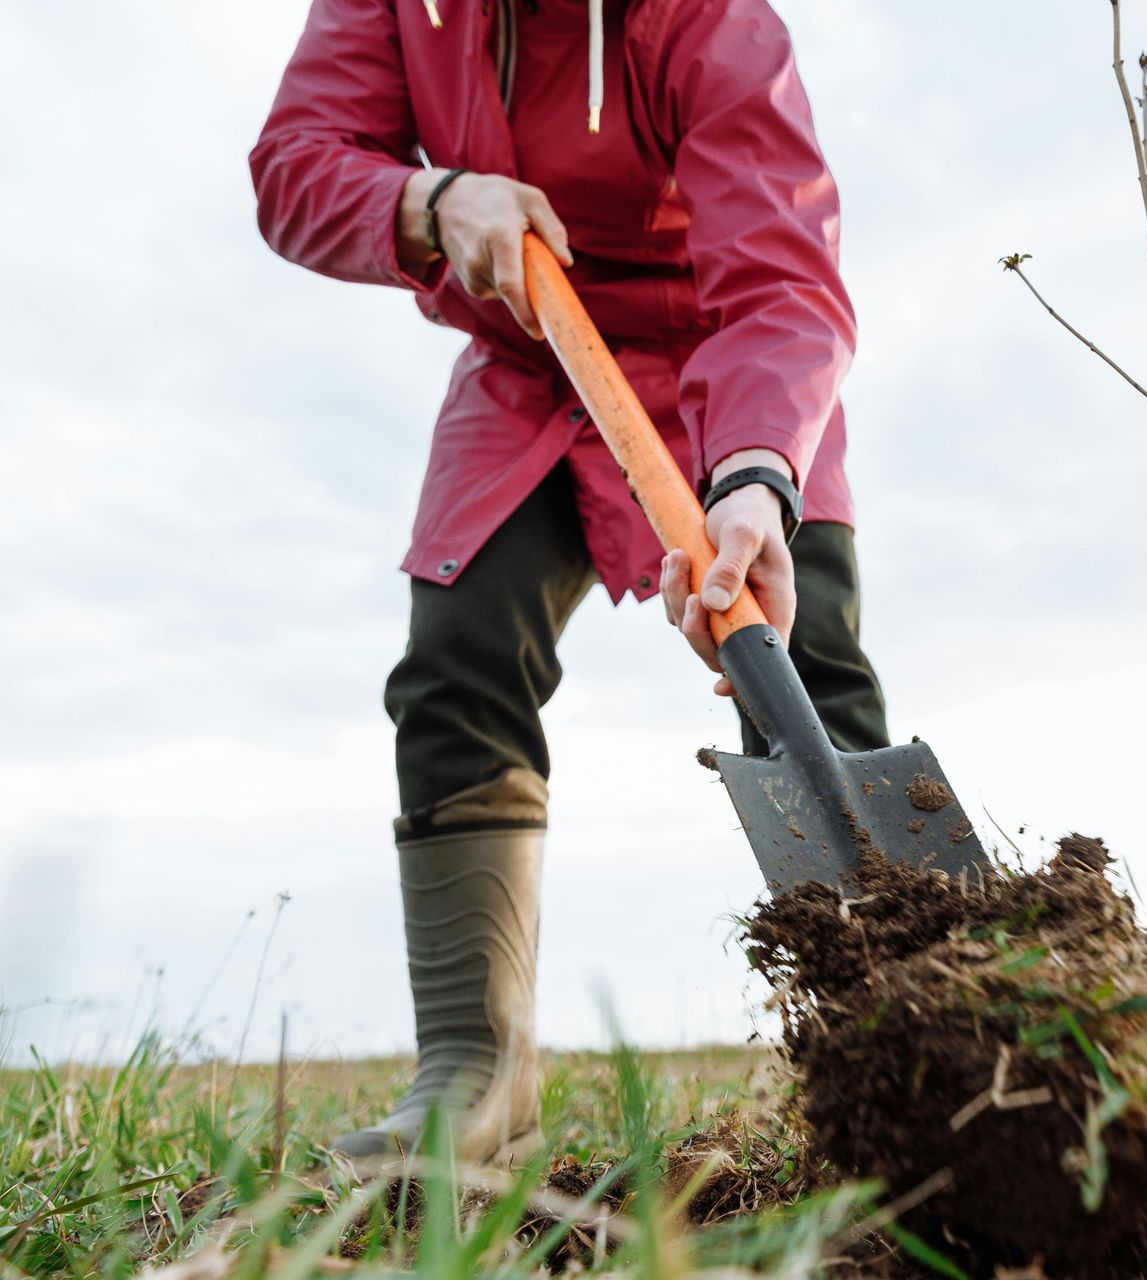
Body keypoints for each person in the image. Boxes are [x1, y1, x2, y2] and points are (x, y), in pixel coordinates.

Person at [250, 0, 886, 1165]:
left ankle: (891, 1050)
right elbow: (294, 169)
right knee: (457, 657)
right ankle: (476, 1078)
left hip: (721, 363)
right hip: (531, 361)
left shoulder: (708, 22)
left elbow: (780, 279)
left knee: (801, 673)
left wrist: (754, 478)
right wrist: (430, 201)